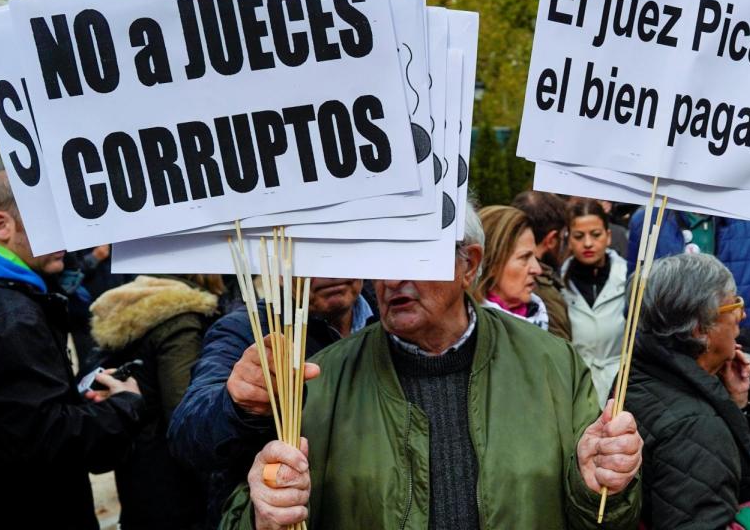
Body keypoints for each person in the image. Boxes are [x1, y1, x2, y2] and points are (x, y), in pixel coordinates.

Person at [220, 203, 643, 529]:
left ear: (468, 264)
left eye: (412, 257)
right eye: (379, 259)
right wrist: (264, 514)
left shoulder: (553, 364)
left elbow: (604, 520)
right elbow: (252, 511)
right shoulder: (320, 381)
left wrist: (600, 487)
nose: (391, 280)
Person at [0, 171, 144, 529]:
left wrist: (71, 399)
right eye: (50, 223)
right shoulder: (7, 315)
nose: (66, 237)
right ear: (0, 225)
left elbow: (6, 416)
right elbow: (44, 441)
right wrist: (125, 405)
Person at [168, 277, 376, 528]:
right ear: (280, 268)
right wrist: (236, 405)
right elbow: (186, 429)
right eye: (311, 261)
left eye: (337, 257)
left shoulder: (392, 318)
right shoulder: (248, 327)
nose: (329, 275)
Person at [624, 253, 750, 529]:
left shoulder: (636, 374)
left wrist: (735, 404)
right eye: (734, 305)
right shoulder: (695, 425)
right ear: (700, 329)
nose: (742, 315)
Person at [89, 274, 224, 530]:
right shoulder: (181, 321)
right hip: (177, 487)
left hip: (138, 475)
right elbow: (185, 414)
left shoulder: (131, 303)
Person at [561, 199, 627, 403]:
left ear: (608, 236)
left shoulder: (629, 279)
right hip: (576, 388)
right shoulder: (558, 285)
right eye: (579, 236)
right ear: (568, 239)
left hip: (622, 386)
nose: (588, 243)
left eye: (596, 234)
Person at [474, 205, 549, 330]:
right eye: (524, 257)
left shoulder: (539, 315)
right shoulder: (468, 332)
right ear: (491, 263)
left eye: (535, 258)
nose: (537, 270)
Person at [512, 190, 573, 340]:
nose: (535, 270)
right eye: (564, 236)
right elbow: (558, 351)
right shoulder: (543, 294)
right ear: (551, 239)